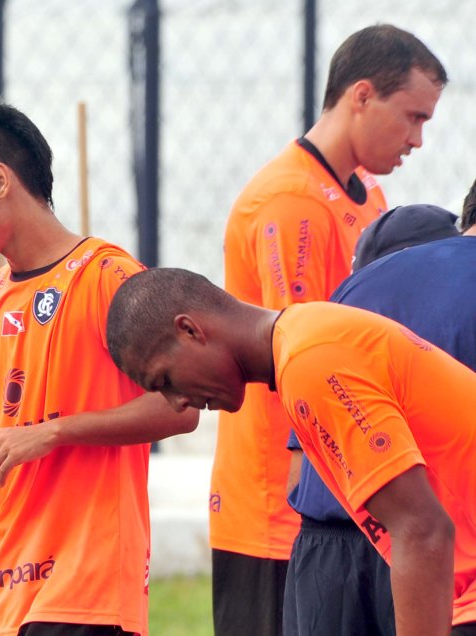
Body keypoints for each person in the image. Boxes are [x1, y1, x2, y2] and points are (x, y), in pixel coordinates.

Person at [0, 99, 199, 636]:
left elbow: (182, 408)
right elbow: (13, 421)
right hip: (2, 588)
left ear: (0, 180)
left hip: (85, 591)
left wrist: (55, 433)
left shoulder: (109, 277)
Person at [214, 23, 446, 634]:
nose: (418, 139)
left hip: (348, 490)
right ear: (362, 96)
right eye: (413, 117)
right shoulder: (290, 202)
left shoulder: (368, 195)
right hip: (280, 509)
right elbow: (301, 350)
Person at [106, 267, 476, 636]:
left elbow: (422, 530)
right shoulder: (303, 340)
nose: (176, 402)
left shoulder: (309, 361)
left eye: (165, 380)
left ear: (190, 330)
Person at [283, 203, 461, 636]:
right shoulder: (445, 308)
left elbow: (295, 475)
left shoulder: (334, 320)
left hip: (322, 547)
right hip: (413, 542)